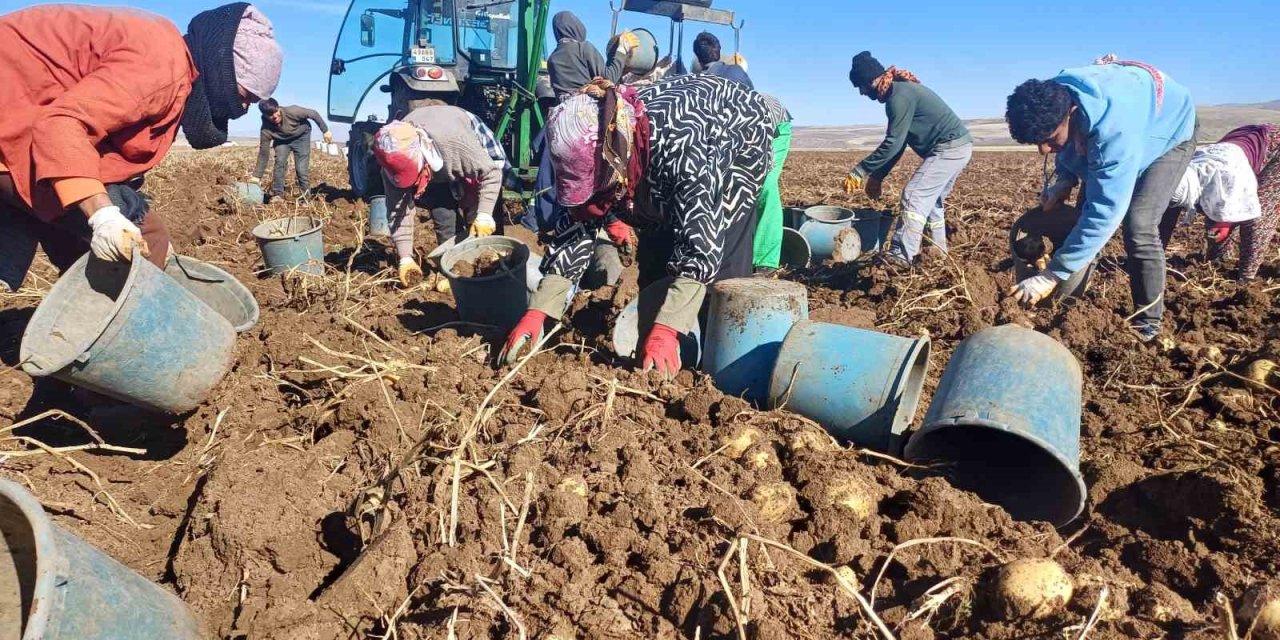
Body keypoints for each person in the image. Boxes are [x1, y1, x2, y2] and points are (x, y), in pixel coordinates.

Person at [500, 75, 775, 377]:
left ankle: (719, 369)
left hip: (736, 137)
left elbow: (701, 245)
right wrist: (538, 310)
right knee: (656, 258)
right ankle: (653, 359)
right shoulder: (595, 143)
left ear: (617, 159)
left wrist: (668, 328)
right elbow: (578, 222)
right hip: (657, 165)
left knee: (720, 273)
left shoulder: (684, 151)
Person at [0, 3, 282, 293]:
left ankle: (89, 310)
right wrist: (103, 215)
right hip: (15, 119)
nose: (242, 109)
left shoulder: (170, 58)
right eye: (244, 96)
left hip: (22, 117)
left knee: (84, 234)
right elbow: (61, 125)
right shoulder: (161, 66)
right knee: (145, 239)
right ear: (223, 68)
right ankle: (127, 314)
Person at [1005, 55, 1197, 341]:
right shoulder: (1054, 96)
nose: (1043, 150)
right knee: (1081, 218)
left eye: (1049, 139)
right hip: (1123, 119)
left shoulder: (1114, 132)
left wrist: (1051, 275)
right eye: (1037, 143)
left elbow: (1105, 211)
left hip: (1169, 131)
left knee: (1139, 224)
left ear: (1071, 113)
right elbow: (1069, 146)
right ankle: (1069, 303)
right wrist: (1064, 180)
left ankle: (1148, 324)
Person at [842, 51, 972, 268]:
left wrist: (860, 170)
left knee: (914, 195)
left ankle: (900, 256)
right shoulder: (898, 92)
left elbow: (893, 142)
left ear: (871, 80)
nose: (861, 93)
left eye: (861, 86)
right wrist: (877, 176)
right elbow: (899, 144)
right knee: (931, 202)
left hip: (949, 148)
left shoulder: (898, 96)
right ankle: (937, 255)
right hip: (959, 147)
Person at [372, 105, 507, 287]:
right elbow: (398, 212)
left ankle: (494, 270)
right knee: (442, 213)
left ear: (422, 156)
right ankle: (453, 267)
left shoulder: (456, 141)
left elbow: (491, 173)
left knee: (481, 217)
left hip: (470, 149)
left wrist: (484, 214)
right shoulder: (390, 166)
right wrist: (405, 258)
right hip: (435, 165)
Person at [1170, 124, 1280, 282]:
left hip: (1274, 147)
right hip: (1239, 141)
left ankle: (1246, 278)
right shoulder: (1188, 171)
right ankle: (1218, 265)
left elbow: (1243, 196)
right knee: (1214, 217)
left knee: (1258, 217)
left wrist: (1226, 221)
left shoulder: (1232, 173)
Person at [252, 99, 331, 198]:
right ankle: (278, 194)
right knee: (279, 162)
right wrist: (257, 176)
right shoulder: (265, 129)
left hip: (301, 137)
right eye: (270, 115)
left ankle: (306, 196)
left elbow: (313, 114)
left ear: (278, 108)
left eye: (275, 112)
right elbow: (263, 153)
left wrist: (325, 131)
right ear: (264, 115)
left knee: (301, 168)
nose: (274, 116)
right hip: (282, 141)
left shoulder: (293, 111)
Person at [545, 11, 627, 99]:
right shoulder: (583, 48)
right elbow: (609, 78)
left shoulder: (551, 59)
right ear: (576, 26)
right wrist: (621, 51)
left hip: (563, 107)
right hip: (587, 105)